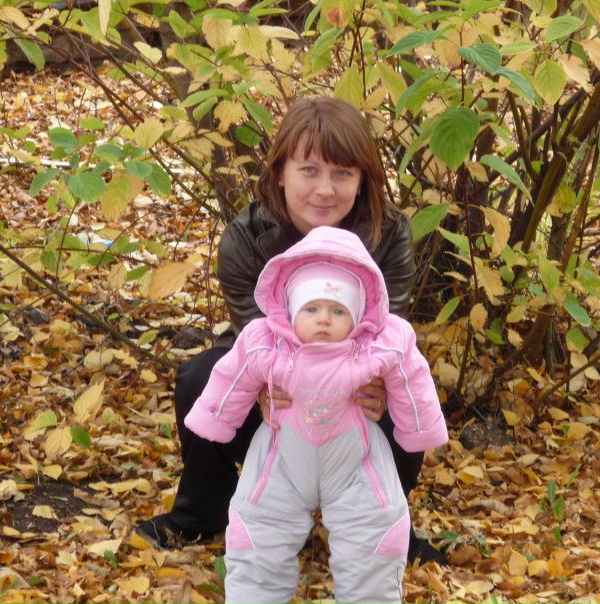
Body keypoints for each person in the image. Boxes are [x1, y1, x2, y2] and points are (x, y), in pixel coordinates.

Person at [136, 95, 447, 564]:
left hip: (355, 370)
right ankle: (200, 514)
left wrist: (377, 384)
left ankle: (385, 523)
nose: (325, 189)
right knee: (201, 379)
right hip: (273, 366)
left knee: (406, 389)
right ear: (280, 172)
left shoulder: (389, 233)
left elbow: (387, 334)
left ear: (362, 180)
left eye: (342, 173)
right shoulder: (245, 237)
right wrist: (271, 382)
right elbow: (258, 336)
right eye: (309, 171)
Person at [184, 226, 449, 603]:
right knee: (260, 529)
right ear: (292, 311)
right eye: (312, 309)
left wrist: (418, 428)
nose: (324, 319)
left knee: (372, 532)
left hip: (355, 459)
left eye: (337, 310)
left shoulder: (379, 345)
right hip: (281, 457)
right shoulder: (265, 342)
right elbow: (234, 375)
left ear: (357, 315)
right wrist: (217, 418)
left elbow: (411, 378)